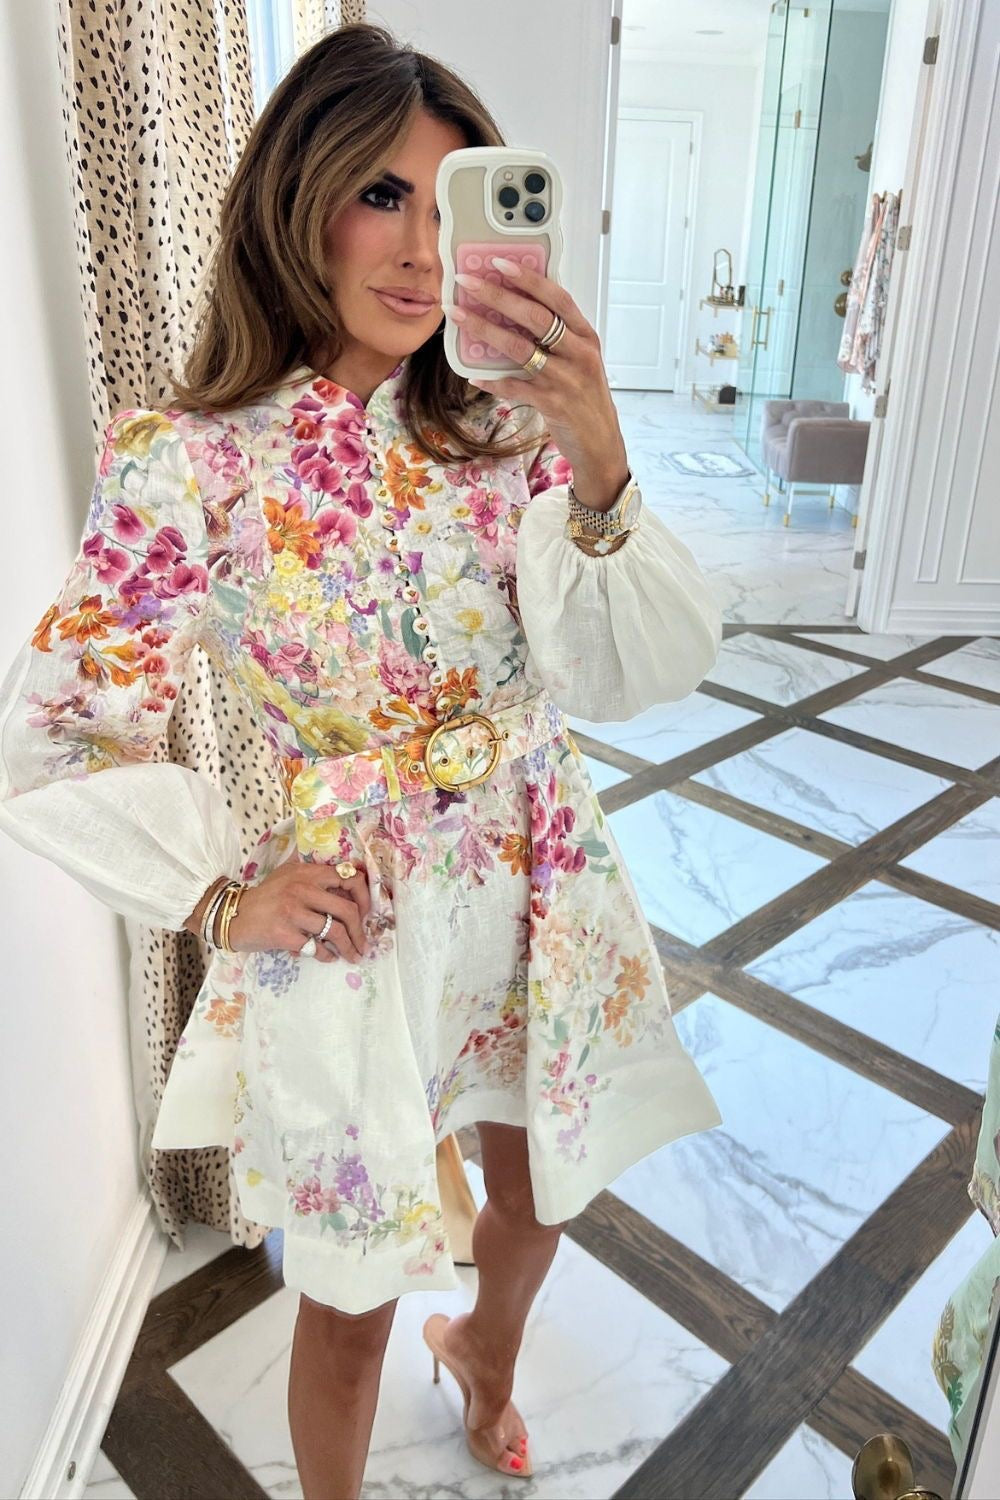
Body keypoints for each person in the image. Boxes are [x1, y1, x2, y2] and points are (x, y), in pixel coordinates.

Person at [0, 21, 724, 1500]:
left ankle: (487, 1357)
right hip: (353, 914)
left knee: (539, 1187)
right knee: (347, 1302)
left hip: (534, 860)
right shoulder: (193, 457)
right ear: (299, 198)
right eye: (381, 194)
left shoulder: (512, 424)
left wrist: (597, 450)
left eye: (451, 201)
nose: (420, 248)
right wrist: (218, 896)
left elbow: (631, 672)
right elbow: (58, 727)